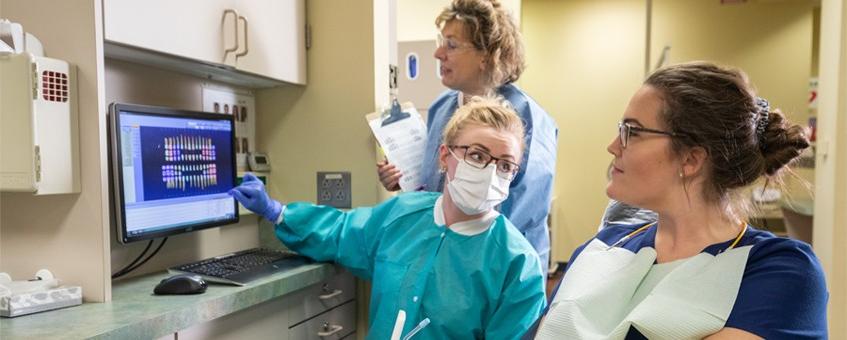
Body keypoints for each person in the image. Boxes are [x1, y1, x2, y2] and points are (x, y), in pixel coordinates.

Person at [534, 62, 827, 339]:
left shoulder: (780, 270)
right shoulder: (602, 247)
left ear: (691, 159)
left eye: (632, 132)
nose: (613, 146)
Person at [232, 98, 546, 339]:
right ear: (445, 156)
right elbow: (341, 232)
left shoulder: (517, 266)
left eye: (505, 165)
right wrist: (276, 211)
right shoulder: (403, 215)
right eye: (477, 155)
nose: (491, 172)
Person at [376, 0, 558, 274]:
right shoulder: (441, 108)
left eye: (451, 45)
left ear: (486, 54)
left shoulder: (528, 118)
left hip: (500, 269)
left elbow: (523, 216)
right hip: (441, 258)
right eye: (441, 42)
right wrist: (401, 180)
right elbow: (436, 185)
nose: (438, 53)